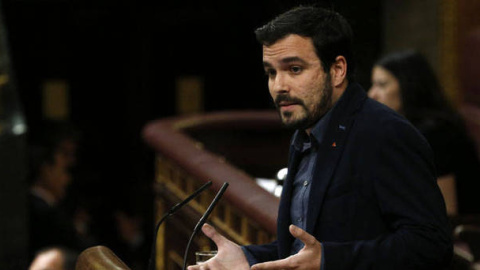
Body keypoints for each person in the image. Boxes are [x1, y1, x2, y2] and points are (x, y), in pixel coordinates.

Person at [188, 5, 452, 270]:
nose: (279, 86)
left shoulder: (385, 133)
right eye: (271, 72)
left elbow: (430, 245)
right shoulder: (305, 133)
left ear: (337, 70)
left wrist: (329, 260)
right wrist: (249, 257)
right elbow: (306, 250)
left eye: (294, 69)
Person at [368, 50, 480, 216]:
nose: (371, 94)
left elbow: (447, 211)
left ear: (409, 86)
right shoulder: (400, 129)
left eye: (382, 85)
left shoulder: (437, 133)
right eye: (373, 84)